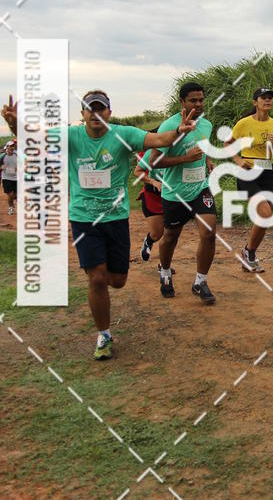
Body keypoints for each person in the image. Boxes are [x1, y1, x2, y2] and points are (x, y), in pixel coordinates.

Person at [1, 90, 196, 360]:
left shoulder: (123, 134)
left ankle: (102, 277)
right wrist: (14, 123)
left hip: (115, 218)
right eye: (89, 109)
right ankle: (103, 335)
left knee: (117, 281)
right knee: (97, 277)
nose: (95, 114)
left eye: (100, 109)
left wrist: (180, 131)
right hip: (83, 218)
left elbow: (160, 139)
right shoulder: (71, 135)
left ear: (109, 113)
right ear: (82, 115)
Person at [147, 82, 217, 303]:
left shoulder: (206, 125)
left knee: (208, 233)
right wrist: (185, 159)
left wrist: (207, 161)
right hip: (174, 193)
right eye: (193, 100)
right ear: (182, 102)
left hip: (200, 188)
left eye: (201, 100)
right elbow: (154, 162)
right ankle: (165, 271)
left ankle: (200, 281)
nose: (198, 104)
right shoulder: (169, 126)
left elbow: (201, 147)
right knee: (170, 237)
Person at [227, 87, 273, 272]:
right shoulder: (244, 123)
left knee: (265, 218)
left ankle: (249, 251)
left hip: (267, 173)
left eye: (270, 98)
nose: (267, 100)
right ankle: (249, 253)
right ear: (255, 102)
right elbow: (228, 143)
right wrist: (238, 160)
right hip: (247, 173)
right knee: (265, 212)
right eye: (263, 98)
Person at [134, 134, 166, 264]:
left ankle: (165, 265)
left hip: (172, 196)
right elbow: (138, 172)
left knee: (171, 234)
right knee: (157, 233)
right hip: (153, 196)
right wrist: (154, 182)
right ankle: (149, 241)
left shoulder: (178, 150)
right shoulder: (148, 153)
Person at [1, 140, 17, 215]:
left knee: (15, 195)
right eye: (10, 146)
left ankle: (12, 200)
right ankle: (11, 207)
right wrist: (2, 167)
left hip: (16, 178)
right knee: (10, 194)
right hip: (6, 178)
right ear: (7, 147)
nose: (12, 147)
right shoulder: (2, 156)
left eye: (13, 146)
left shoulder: (17, 155)